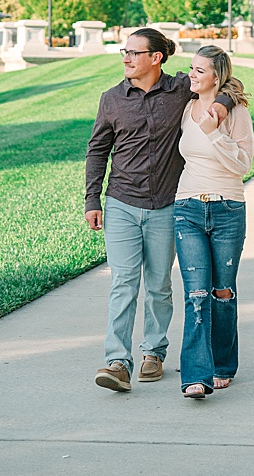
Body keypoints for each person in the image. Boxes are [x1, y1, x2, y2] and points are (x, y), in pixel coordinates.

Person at [84, 27, 231, 393]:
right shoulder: (111, 99)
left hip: (166, 205)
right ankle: (118, 362)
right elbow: (97, 150)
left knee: (159, 285)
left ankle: (154, 351)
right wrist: (92, 200)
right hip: (121, 202)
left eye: (133, 53)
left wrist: (222, 104)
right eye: (124, 52)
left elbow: (227, 82)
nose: (126, 58)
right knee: (123, 282)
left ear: (156, 58)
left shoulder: (180, 89)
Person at [174, 45, 254, 399]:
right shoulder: (186, 108)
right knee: (196, 293)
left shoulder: (236, 113)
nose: (191, 75)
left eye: (199, 70)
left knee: (222, 292)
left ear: (217, 77)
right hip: (187, 208)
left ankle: (222, 365)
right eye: (191, 68)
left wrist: (214, 131)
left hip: (227, 209)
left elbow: (242, 164)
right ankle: (196, 375)